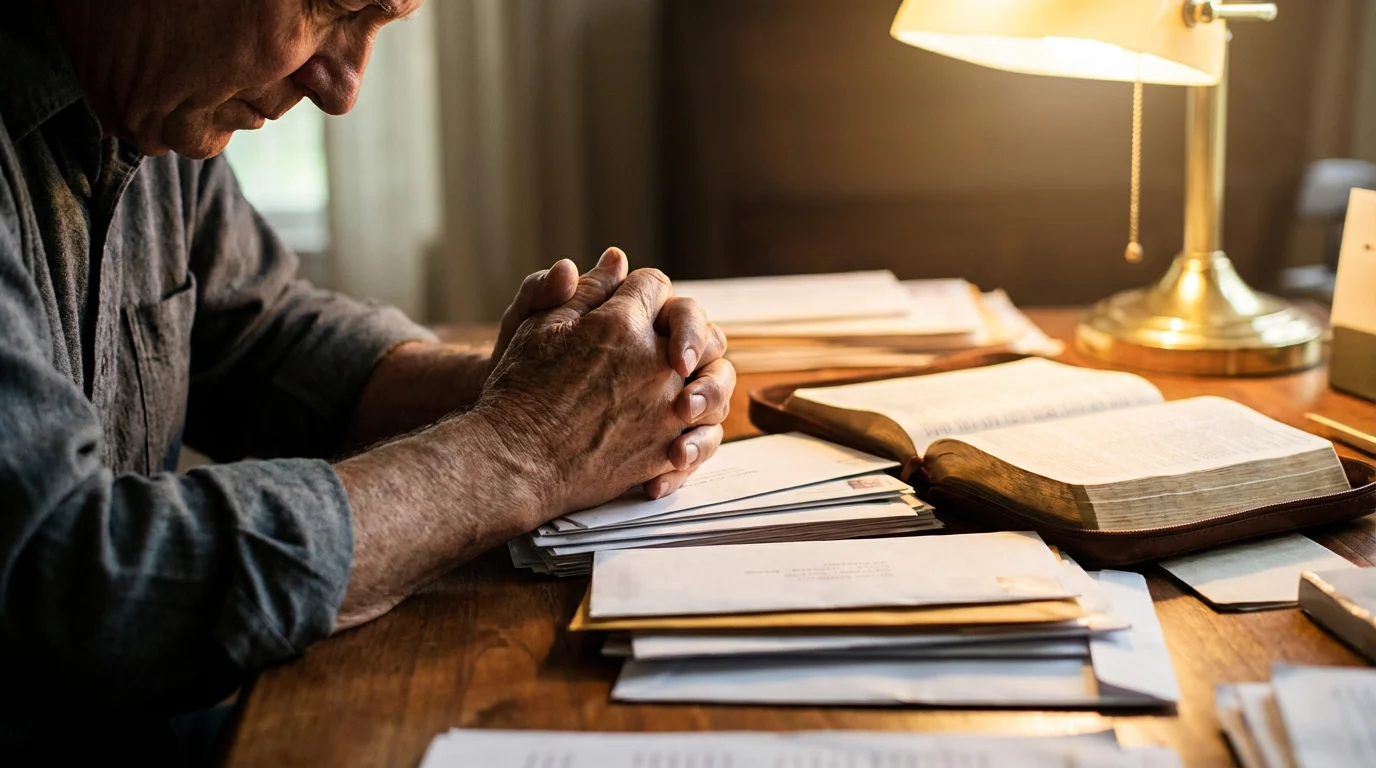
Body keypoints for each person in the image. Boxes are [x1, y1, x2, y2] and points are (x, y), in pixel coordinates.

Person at [0, 0, 735, 761]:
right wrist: (524, 446)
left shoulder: (147, 107)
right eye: (333, 9)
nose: (343, 88)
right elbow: (67, 575)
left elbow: (265, 340)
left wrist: (547, 386)